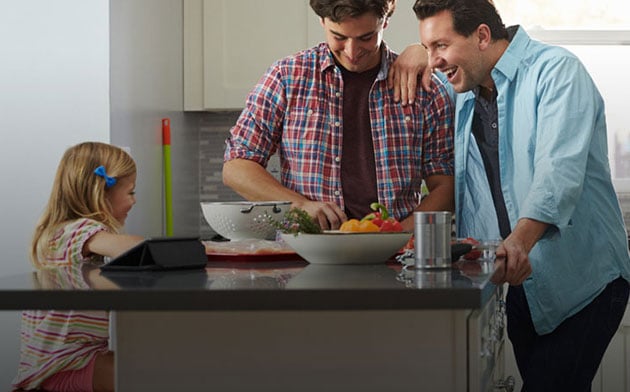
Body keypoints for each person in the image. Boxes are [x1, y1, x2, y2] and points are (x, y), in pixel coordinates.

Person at [402, 0, 630, 390]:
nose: (434, 60)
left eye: (441, 45)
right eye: (427, 47)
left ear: (483, 36)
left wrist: (519, 244)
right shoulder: (466, 87)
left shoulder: (557, 72)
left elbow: (557, 174)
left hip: (584, 280)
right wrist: (415, 54)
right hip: (523, 282)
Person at [222, 0, 455, 232]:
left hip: (399, 255)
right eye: (339, 37)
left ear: (385, 21)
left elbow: (446, 184)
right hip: (308, 250)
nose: (352, 52)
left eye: (366, 37)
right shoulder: (286, 78)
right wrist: (299, 204)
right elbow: (237, 166)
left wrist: (402, 234)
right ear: (322, 21)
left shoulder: (424, 87)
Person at [12, 142, 144, 392]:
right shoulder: (74, 231)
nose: (134, 200)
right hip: (61, 366)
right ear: (102, 191)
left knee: (140, 369)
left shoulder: (64, 232)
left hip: (72, 359)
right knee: (144, 373)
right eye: (131, 192)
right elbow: (134, 248)